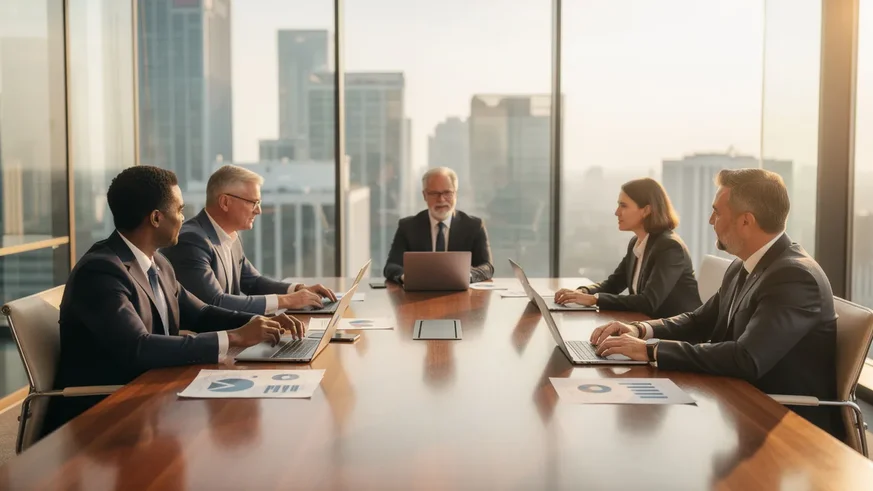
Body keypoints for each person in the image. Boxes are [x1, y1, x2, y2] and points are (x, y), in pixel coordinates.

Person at [43, 166, 305, 435]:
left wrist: (261, 323)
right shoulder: (101, 271)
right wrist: (235, 338)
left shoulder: (158, 263)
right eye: (179, 210)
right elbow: (138, 348)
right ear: (156, 218)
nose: (184, 218)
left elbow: (200, 313)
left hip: (153, 393)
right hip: (105, 414)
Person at [590, 168, 841, 438]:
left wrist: (651, 351)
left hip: (783, 422)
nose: (711, 220)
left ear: (746, 221)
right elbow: (700, 321)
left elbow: (746, 358)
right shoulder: (743, 265)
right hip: (738, 399)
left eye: (717, 212)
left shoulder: (794, 276)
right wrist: (640, 331)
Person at [162, 164, 336, 315]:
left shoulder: (231, 235)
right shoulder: (192, 240)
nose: (258, 210)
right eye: (254, 202)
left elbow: (253, 282)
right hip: (205, 345)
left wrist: (297, 290)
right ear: (225, 202)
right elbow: (215, 302)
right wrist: (288, 301)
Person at [554, 178, 701, 318]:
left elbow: (648, 302)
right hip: (646, 325)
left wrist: (594, 300)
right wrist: (583, 292)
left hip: (677, 336)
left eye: (623, 206)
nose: (617, 212)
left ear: (646, 210)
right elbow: (614, 283)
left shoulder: (670, 247)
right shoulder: (637, 242)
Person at [383, 167, 494, 284]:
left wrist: (467, 276)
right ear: (424, 195)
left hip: (460, 294)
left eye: (447, 193)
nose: (441, 199)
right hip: (418, 294)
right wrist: (406, 277)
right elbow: (391, 266)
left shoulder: (474, 226)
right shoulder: (407, 227)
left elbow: (487, 267)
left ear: (455, 194)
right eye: (434, 193)